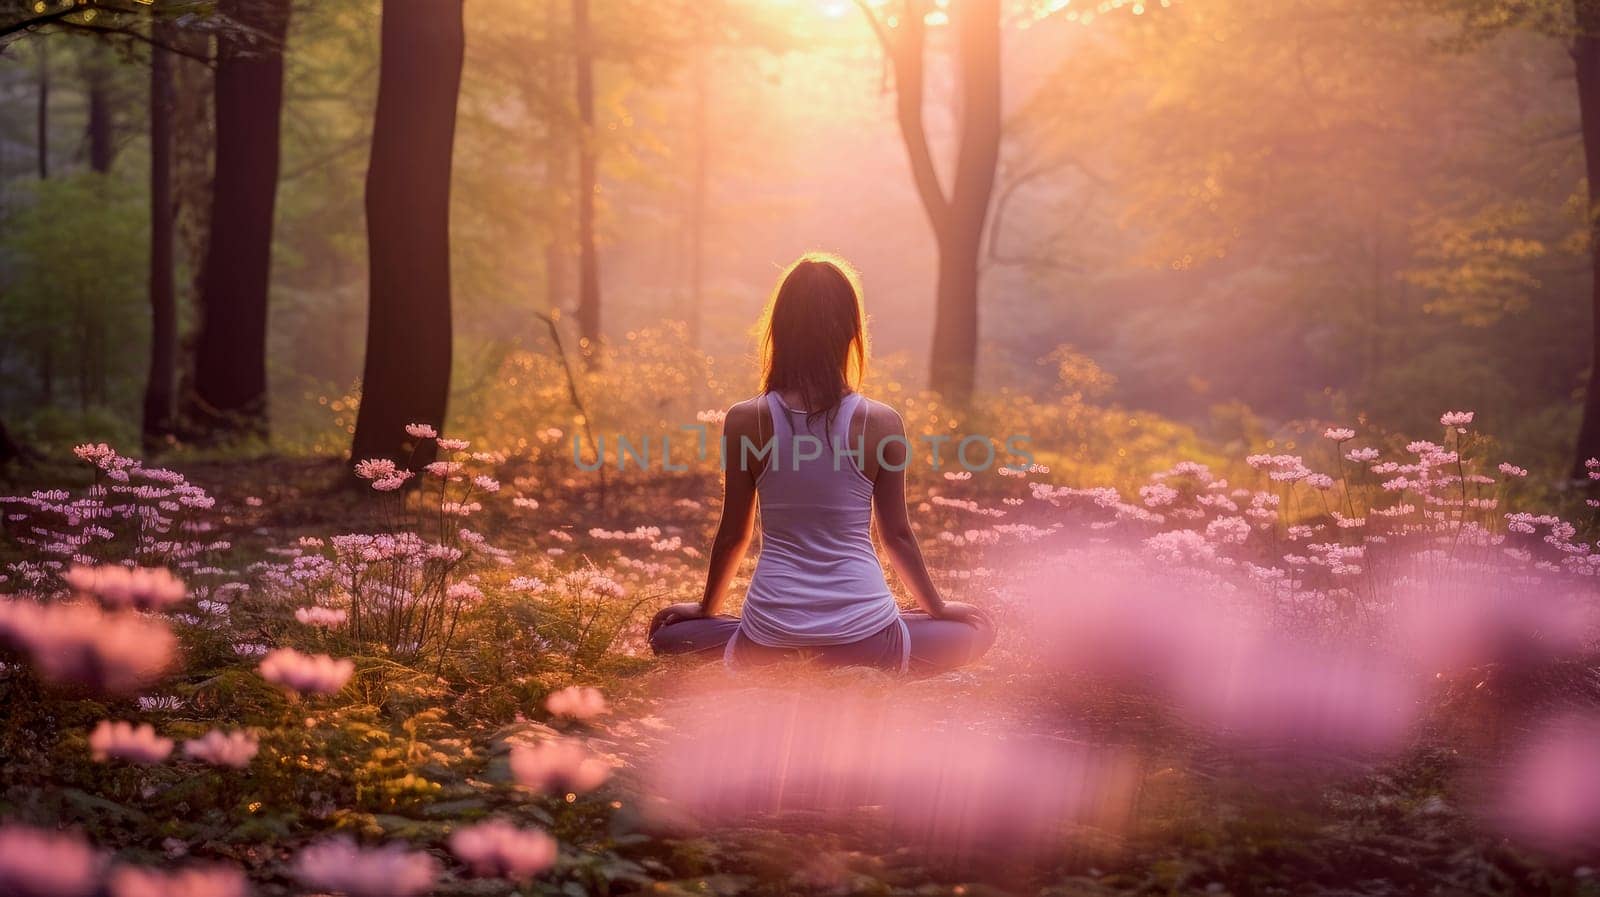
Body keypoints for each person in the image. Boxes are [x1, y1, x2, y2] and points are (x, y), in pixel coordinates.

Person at [648, 252, 996, 675]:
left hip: (770, 642)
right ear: (851, 331)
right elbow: (896, 536)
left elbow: (733, 535)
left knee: (665, 633)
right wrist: (938, 608)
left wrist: (705, 609)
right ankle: (857, 667)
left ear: (779, 330)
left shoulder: (746, 419)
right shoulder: (881, 422)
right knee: (979, 628)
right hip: (869, 643)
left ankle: (787, 665)